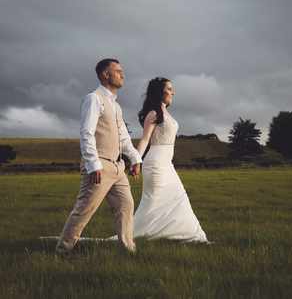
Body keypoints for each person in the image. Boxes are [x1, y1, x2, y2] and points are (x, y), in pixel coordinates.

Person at [55, 58, 142, 254]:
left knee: (126, 205)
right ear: (105, 75)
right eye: (117, 71)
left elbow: (124, 138)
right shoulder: (93, 99)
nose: (122, 74)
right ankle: (63, 250)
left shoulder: (116, 106)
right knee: (84, 210)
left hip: (118, 167)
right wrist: (93, 165)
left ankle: (128, 249)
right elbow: (86, 133)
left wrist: (135, 159)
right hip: (100, 166)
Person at [132, 77, 209, 242]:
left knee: (178, 197)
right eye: (169, 89)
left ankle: (191, 236)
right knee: (152, 203)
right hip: (155, 164)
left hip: (167, 164)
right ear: (160, 92)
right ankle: (134, 235)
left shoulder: (165, 112)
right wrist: (136, 160)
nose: (173, 92)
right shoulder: (153, 113)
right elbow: (145, 139)